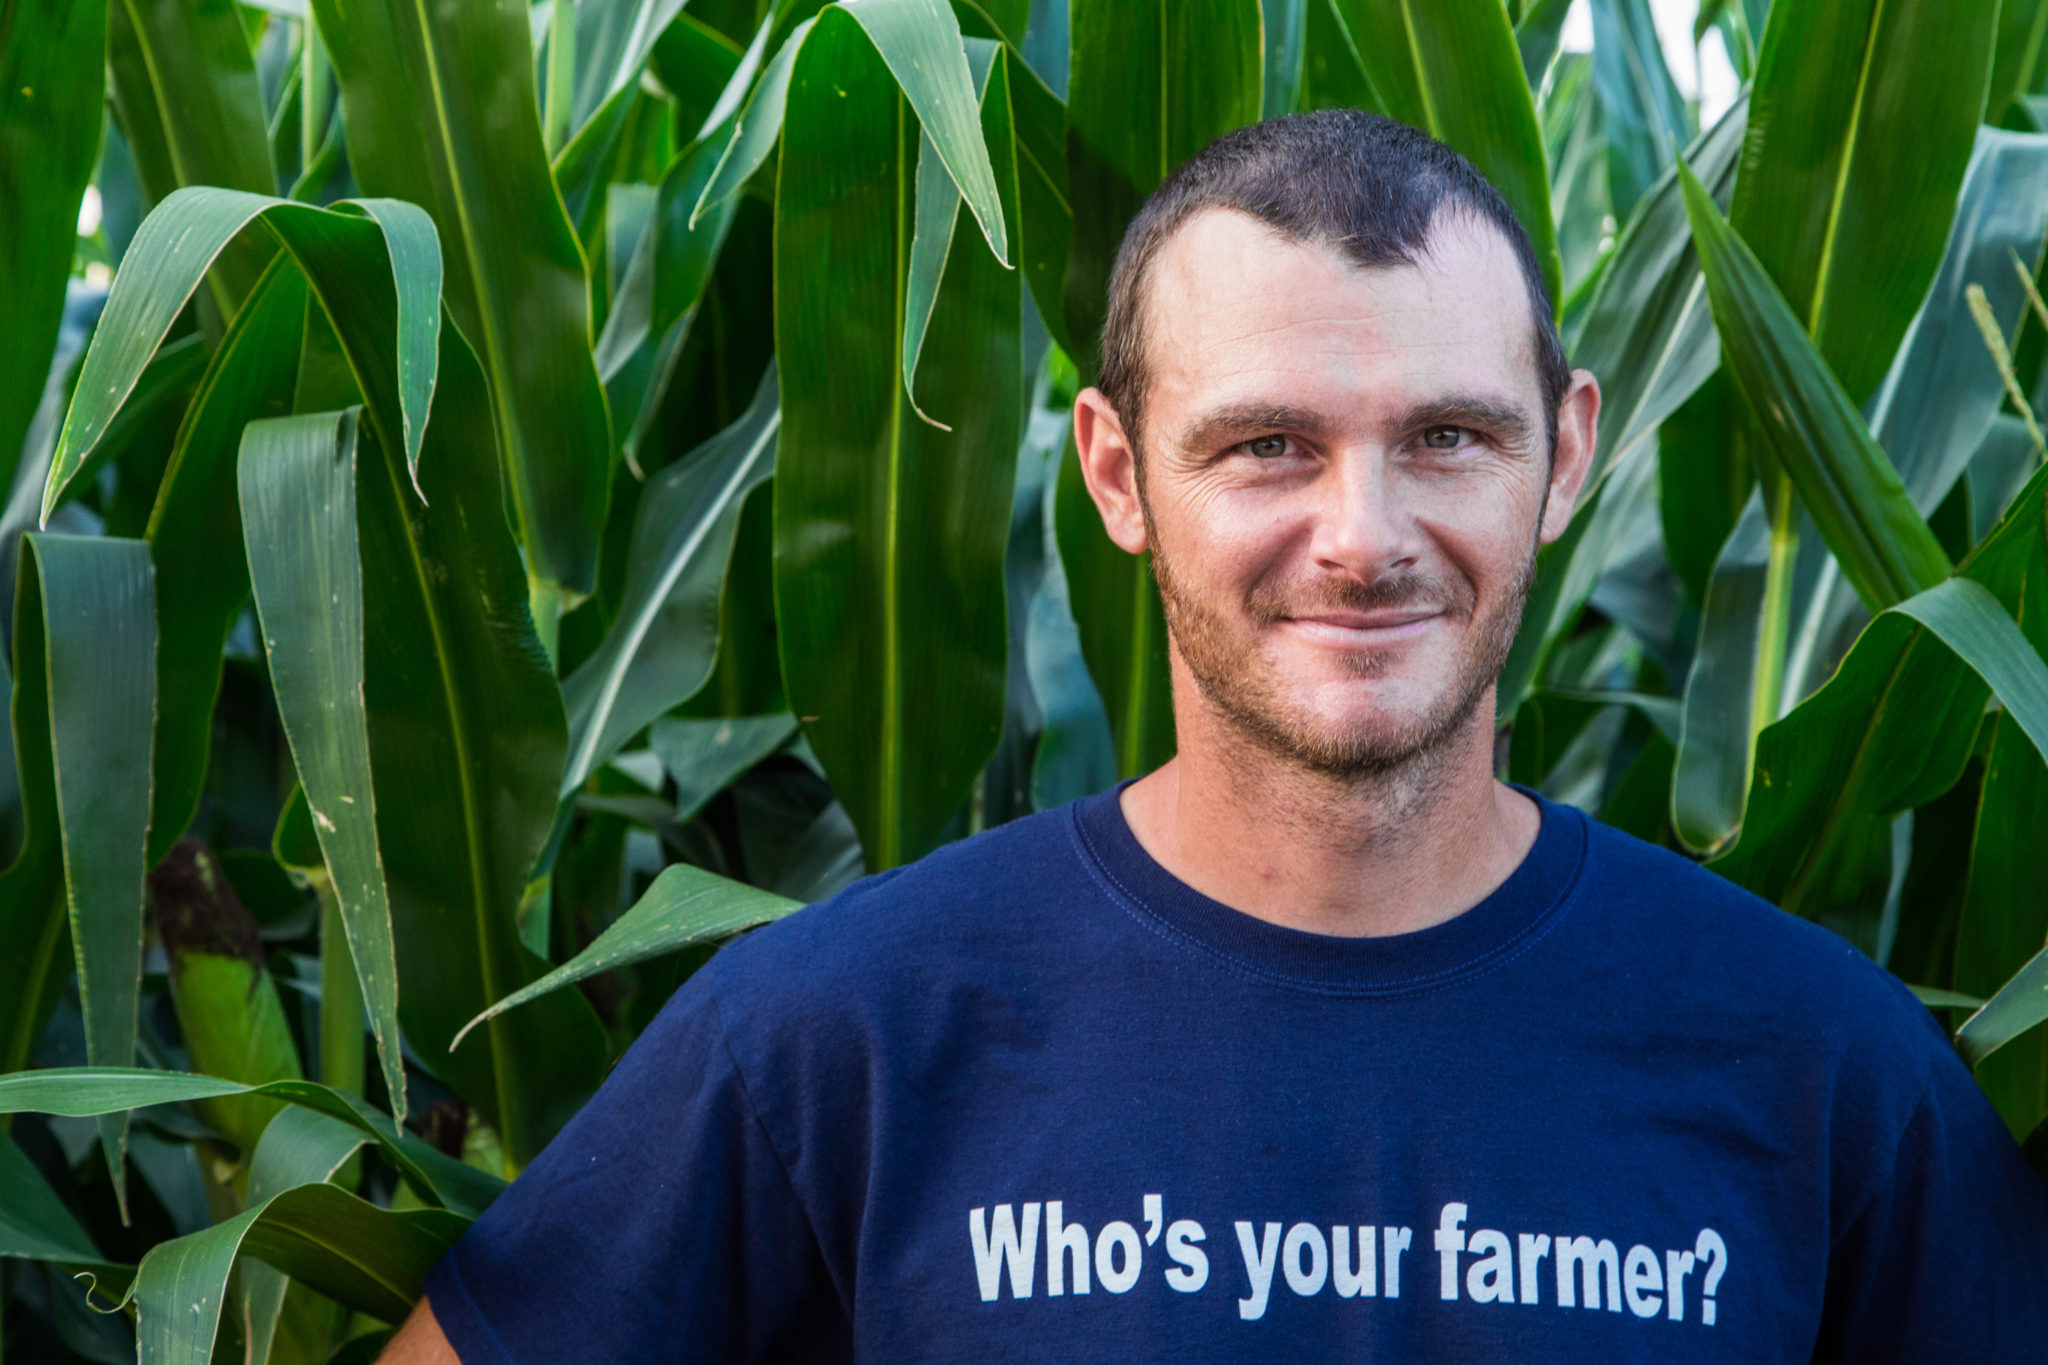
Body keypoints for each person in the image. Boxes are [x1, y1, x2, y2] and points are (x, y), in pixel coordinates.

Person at [382, 111, 2048, 1363]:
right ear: (1116, 472)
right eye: (1266, 446)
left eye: (1450, 436)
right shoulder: (838, 1042)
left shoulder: (1827, 1073)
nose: (1363, 534)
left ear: (1566, 455)